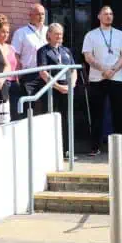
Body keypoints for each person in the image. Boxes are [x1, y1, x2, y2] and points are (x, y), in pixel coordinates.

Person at [82, 6, 122, 155]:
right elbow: (88, 57)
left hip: (117, 78)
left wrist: (112, 70)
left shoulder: (120, 35)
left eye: (111, 14)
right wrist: (103, 69)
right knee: (97, 113)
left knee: (120, 113)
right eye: (105, 14)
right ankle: (95, 146)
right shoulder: (91, 35)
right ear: (99, 16)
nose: (108, 16)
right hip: (97, 78)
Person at [36, 23, 77, 158]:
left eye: (61, 33)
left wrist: (71, 85)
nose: (59, 36)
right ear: (49, 35)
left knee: (67, 119)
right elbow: (43, 72)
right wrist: (58, 87)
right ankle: (52, 151)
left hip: (67, 89)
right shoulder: (43, 51)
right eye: (56, 33)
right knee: (52, 118)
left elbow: (73, 69)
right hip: (52, 90)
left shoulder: (66, 50)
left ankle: (67, 150)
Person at [11, 5, 49, 115]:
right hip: (29, 74)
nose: (41, 17)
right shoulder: (21, 32)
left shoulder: (48, 31)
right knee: (28, 106)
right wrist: (18, 74)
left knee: (47, 105)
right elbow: (15, 54)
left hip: (47, 74)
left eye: (43, 14)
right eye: (38, 14)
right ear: (30, 15)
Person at [0, 15, 21, 118]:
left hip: (13, 83)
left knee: (15, 113)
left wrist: (17, 79)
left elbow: (16, 65)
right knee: (3, 115)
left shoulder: (11, 48)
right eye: (3, 32)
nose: (6, 34)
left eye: (7, 32)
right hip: (1, 84)